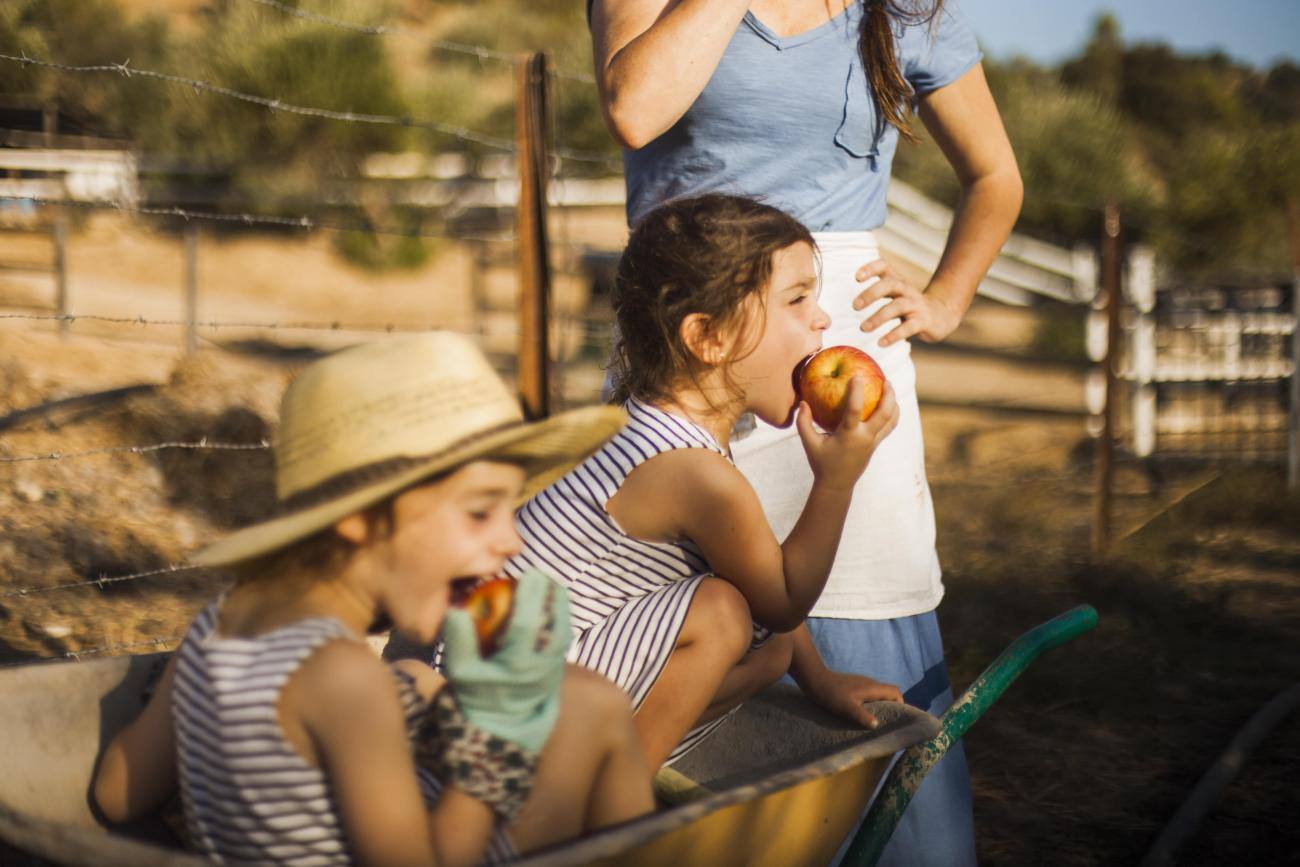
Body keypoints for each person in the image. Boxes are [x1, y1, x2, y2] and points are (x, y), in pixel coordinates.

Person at [589, 1, 1024, 863]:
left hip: (842, 356)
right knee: (697, 615)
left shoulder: (901, 10)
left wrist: (944, 299)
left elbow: (996, 176)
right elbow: (636, 109)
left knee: (861, 611)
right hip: (697, 346)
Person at [91, 332, 654, 867]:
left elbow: (117, 795)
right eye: (481, 510)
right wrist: (492, 741)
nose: (512, 539)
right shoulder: (344, 679)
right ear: (360, 519)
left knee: (417, 676)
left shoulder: (223, 622)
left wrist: (216, 731)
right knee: (593, 705)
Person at [505, 194, 903, 773]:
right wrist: (836, 482)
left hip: (517, 679)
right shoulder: (694, 474)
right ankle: (611, 802)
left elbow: (772, 597)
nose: (821, 319)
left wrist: (819, 680)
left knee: (775, 646)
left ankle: (599, 773)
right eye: (796, 299)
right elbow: (787, 598)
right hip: (510, 704)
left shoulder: (662, 433)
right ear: (709, 337)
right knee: (722, 612)